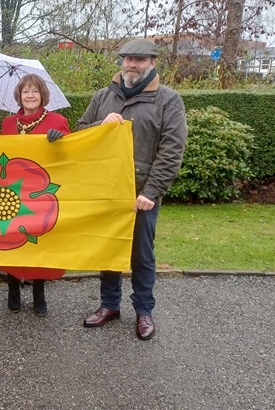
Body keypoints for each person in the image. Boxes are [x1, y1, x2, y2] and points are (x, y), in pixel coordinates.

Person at [76, 38, 187, 340]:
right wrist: (100, 124)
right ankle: (109, 305)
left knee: (141, 255)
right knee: (109, 249)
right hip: (107, 190)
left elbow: (172, 150)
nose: (131, 65)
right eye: (127, 59)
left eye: (138, 59)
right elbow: (80, 132)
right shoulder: (103, 96)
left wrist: (151, 192)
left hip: (141, 195)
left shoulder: (168, 100)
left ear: (152, 63)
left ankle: (144, 311)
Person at [0, 73, 71, 316]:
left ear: (43, 95)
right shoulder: (8, 123)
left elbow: (72, 155)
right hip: (12, 193)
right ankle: (13, 288)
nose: (30, 96)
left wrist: (61, 141)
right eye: (25, 91)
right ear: (19, 95)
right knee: (11, 239)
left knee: (39, 240)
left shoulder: (57, 120)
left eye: (35, 91)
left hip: (42, 194)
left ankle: (38, 290)